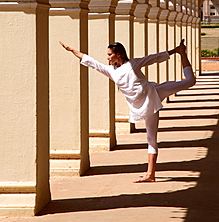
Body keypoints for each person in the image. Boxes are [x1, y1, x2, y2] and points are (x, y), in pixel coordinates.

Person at [59, 39, 196, 182]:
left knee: (190, 81)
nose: (107, 58)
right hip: (142, 106)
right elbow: (92, 62)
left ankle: (182, 53)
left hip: (154, 93)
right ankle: (151, 174)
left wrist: (175, 51)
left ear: (119, 54)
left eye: (109, 54)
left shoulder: (133, 64)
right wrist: (72, 50)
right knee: (151, 139)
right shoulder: (111, 71)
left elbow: (153, 58)